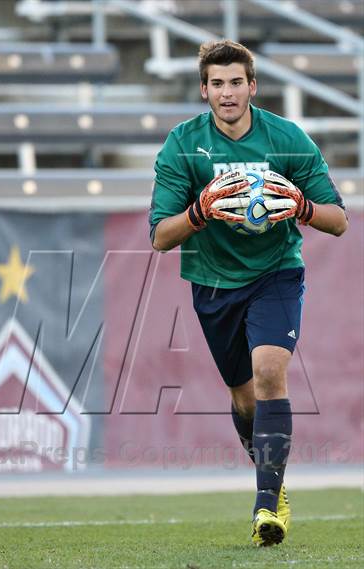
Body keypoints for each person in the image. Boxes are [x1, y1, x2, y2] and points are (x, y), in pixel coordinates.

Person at [149, 39, 348, 547]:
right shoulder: (181, 145)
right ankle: (271, 474)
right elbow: (159, 237)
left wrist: (300, 206)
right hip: (213, 283)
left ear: (252, 86)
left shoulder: (287, 140)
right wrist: (201, 211)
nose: (227, 92)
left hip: (275, 274)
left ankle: (267, 504)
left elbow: (339, 221)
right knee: (242, 395)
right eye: (217, 84)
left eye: (236, 82)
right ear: (204, 91)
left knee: (268, 370)